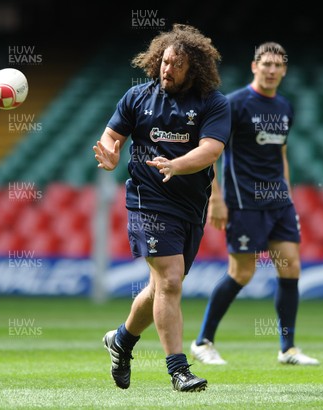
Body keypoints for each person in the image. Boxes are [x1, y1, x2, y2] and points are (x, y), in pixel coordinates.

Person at [93, 24, 231, 392]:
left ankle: (121, 341)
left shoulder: (214, 103)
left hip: (189, 204)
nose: (167, 69)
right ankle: (178, 370)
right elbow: (112, 136)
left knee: (161, 288)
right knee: (170, 279)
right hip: (147, 199)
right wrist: (109, 152)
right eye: (165, 62)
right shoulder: (137, 97)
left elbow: (211, 151)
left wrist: (176, 164)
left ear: (194, 70)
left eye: (177, 65)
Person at [190, 42, 319, 366]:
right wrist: (215, 198)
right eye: (266, 64)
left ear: (284, 70)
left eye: (278, 65)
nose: (272, 70)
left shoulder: (285, 107)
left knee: (291, 266)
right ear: (254, 66)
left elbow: (282, 154)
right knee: (242, 272)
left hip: (279, 203)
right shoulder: (235, 104)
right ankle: (203, 341)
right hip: (244, 201)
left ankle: (287, 348)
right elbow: (210, 151)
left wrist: (287, 196)